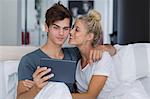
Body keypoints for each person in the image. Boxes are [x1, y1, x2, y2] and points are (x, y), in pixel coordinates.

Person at [17, 2, 116, 99]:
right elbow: (20, 98)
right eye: (56, 28)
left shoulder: (75, 54)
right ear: (47, 28)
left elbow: (114, 50)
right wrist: (36, 88)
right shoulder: (29, 61)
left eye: (65, 28)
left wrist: (100, 48)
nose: (61, 33)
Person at [69, 10, 119, 99]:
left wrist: (58, 95)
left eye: (76, 30)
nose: (70, 32)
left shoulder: (102, 58)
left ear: (89, 36)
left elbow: (90, 96)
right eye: (73, 27)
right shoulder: (79, 64)